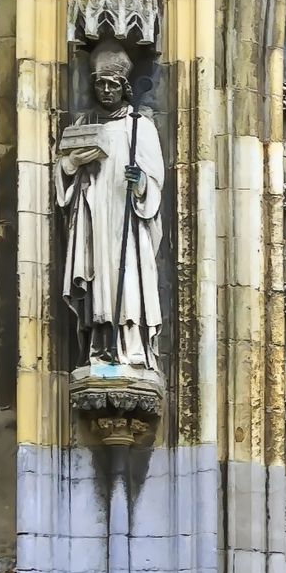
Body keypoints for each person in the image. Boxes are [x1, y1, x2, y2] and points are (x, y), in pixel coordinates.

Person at [55, 40, 163, 372]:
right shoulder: (81, 126)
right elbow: (63, 174)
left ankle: (132, 349)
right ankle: (98, 349)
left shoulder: (138, 127)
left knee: (127, 280)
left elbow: (154, 176)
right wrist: (72, 164)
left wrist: (140, 182)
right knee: (97, 278)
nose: (105, 90)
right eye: (100, 83)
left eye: (112, 84)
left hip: (125, 221)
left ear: (124, 88)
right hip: (92, 217)